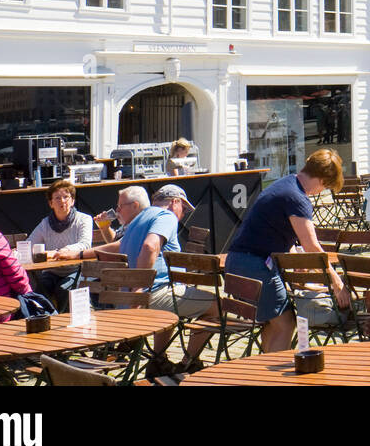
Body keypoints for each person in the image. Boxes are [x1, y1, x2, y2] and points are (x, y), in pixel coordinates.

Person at [220, 149, 345, 352]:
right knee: (286, 323)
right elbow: (311, 246)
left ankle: (263, 373)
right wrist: (336, 281)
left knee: (272, 322)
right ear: (322, 180)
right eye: (326, 187)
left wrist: (296, 264)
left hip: (236, 262)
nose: (321, 192)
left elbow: (279, 234)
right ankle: (274, 379)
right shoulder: (298, 198)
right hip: (255, 266)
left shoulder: (284, 183)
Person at [85, 184, 216, 370]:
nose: (184, 213)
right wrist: (139, 285)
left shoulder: (137, 220)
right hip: (150, 295)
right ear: (174, 202)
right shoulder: (166, 216)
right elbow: (150, 246)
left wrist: (79, 254)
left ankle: (158, 360)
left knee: (170, 307)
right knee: (217, 306)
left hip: (128, 299)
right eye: (184, 208)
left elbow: (117, 246)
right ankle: (189, 362)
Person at [27, 179, 94, 308]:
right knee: (39, 289)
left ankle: (64, 320)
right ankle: (48, 319)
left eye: (66, 197)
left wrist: (62, 252)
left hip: (76, 269)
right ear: (51, 203)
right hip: (52, 271)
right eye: (57, 198)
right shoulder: (45, 224)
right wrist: (18, 251)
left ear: (72, 201)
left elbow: (85, 244)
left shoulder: (84, 219)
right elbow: (30, 244)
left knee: (64, 289)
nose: (62, 201)